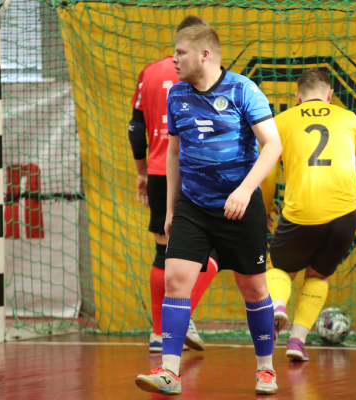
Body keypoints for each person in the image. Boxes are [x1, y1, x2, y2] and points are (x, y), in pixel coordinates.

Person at [135, 24, 283, 396]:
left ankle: (266, 370)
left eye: (180, 52)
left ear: (204, 55)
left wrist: (245, 190)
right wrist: (171, 208)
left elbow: (273, 145)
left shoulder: (243, 89)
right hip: (193, 206)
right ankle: (170, 372)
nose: (173, 59)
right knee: (175, 280)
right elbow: (173, 152)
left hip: (239, 207)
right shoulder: (177, 94)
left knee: (254, 287)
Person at [261, 68, 356, 361]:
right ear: (330, 95)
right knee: (319, 274)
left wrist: (266, 207)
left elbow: (267, 174)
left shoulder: (280, 122)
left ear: (297, 96)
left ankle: (278, 305)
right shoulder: (349, 118)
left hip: (301, 211)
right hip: (345, 214)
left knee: (279, 268)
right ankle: (297, 341)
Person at [128, 16, 218, 354]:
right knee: (217, 247)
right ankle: (180, 317)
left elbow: (135, 128)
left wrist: (142, 172)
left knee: (164, 250)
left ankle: (159, 332)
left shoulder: (150, 72)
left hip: (158, 170)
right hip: (198, 170)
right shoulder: (206, 70)